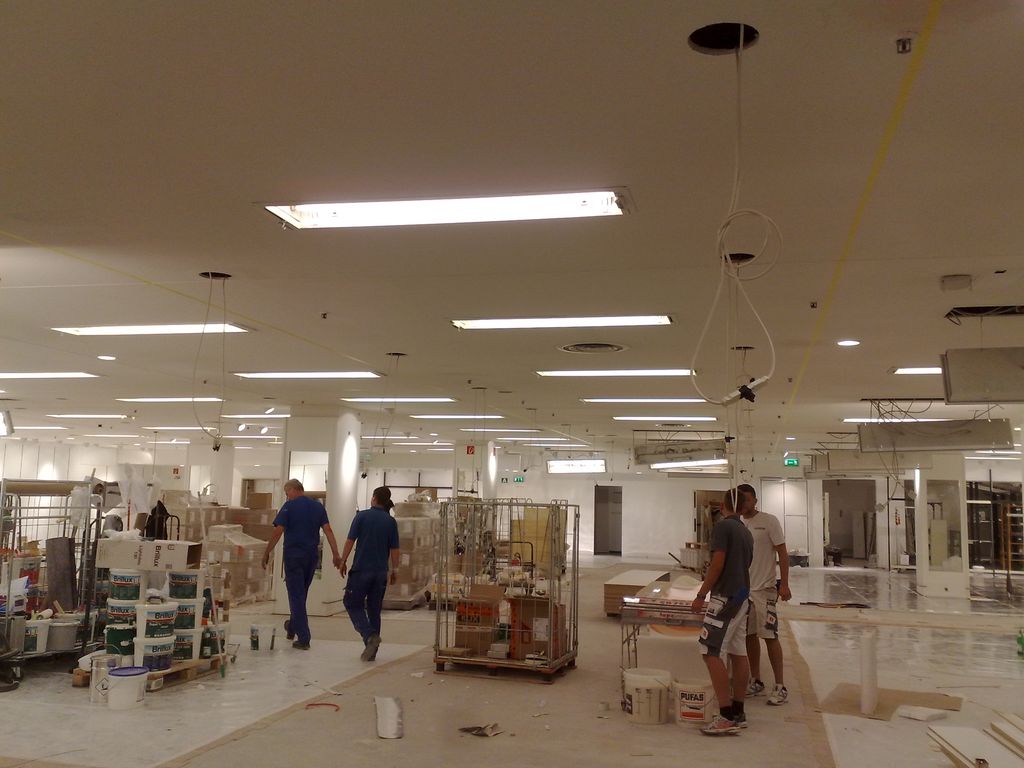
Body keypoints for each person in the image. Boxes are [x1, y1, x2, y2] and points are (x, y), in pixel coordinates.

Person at [691, 488, 754, 735]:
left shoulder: (723, 527)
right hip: (741, 596)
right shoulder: (746, 532)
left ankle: (726, 716)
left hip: (725, 598)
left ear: (723, 505)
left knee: (710, 651)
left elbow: (717, 564)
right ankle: (738, 711)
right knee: (738, 652)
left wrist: (701, 595)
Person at [261, 479, 342, 650]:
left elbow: (278, 531)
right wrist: (336, 554)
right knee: (301, 594)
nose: (287, 496)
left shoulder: (289, 506)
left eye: (287, 493)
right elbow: (328, 530)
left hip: (294, 556)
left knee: (296, 596)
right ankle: (292, 627)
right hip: (311, 557)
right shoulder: (318, 507)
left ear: (294, 489)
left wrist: (267, 551)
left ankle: (304, 638)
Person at [738, 483, 791, 706]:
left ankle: (780, 685)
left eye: (748, 500)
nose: (744, 504)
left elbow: (783, 553)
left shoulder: (769, 521)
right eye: (741, 500)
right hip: (743, 590)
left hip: (765, 588)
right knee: (749, 636)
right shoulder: (736, 523)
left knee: (770, 636)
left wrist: (784, 584)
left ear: (755, 501)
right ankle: (756, 680)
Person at [339, 486, 400, 662]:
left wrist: (343, 561)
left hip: (361, 570)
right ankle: (372, 652)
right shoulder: (390, 522)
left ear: (373, 498)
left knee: (352, 603)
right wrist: (395, 570)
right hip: (380, 573)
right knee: (374, 610)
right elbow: (395, 549)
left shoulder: (361, 517)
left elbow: (350, 541)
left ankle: (369, 636)